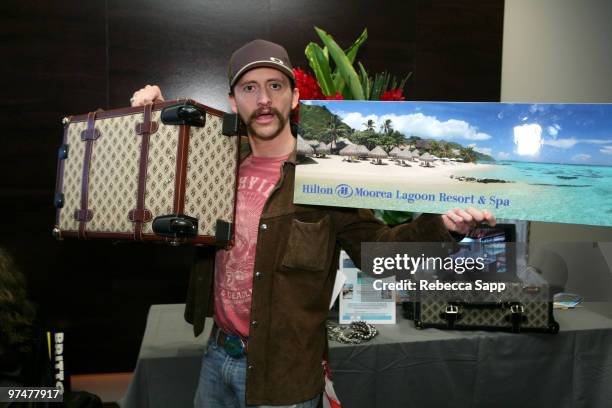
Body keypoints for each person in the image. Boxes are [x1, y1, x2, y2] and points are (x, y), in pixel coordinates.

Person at [131, 39, 496, 408]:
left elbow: (378, 254)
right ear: (233, 102)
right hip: (216, 358)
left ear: (294, 97)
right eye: (249, 88)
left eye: (275, 86)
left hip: (285, 378)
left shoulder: (325, 176)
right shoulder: (217, 163)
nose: (263, 100)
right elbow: (154, 189)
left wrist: (442, 226)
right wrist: (153, 117)